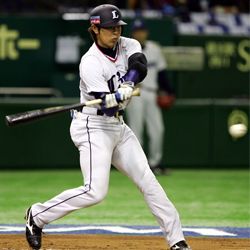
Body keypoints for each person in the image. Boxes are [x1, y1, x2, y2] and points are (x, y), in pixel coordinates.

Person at [24, 4, 191, 250]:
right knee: (95, 191)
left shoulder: (128, 43)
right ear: (95, 29)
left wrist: (127, 83)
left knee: (148, 180)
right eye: (110, 28)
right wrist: (113, 98)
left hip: (118, 127)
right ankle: (37, 215)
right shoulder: (90, 62)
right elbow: (108, 107)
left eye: (118, 27)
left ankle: (177, 241)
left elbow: (139, 65)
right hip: (93, 126)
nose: (116, 32)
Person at [126, 19, 175, 175]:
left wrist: (169, 90)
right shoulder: (127, 49)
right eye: (137, 31)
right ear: (133, 34)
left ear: (146, 32)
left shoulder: (155, 48)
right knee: (136, 130)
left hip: (152, 92)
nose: (140, 33)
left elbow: (161, 73)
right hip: (134, 93)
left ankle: (155, 163)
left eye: (142, 31)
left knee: (158, 130)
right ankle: (138, 166)